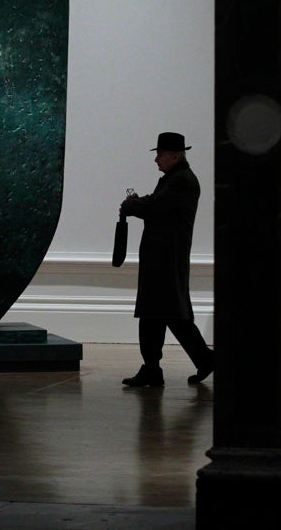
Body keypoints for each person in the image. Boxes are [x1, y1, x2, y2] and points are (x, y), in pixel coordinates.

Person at [118, 132, 214, 387]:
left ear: (175, 155)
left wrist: (133, 207)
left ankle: (158, 367)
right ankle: (189, 362)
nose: (156, 159)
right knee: (164, 314)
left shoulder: (181, 181)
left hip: (165, 259)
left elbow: (155, 207)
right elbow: (156, 203)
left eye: (160, 154)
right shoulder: (175, 179)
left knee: (162, 314)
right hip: (164, 258)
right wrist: (138, 203)